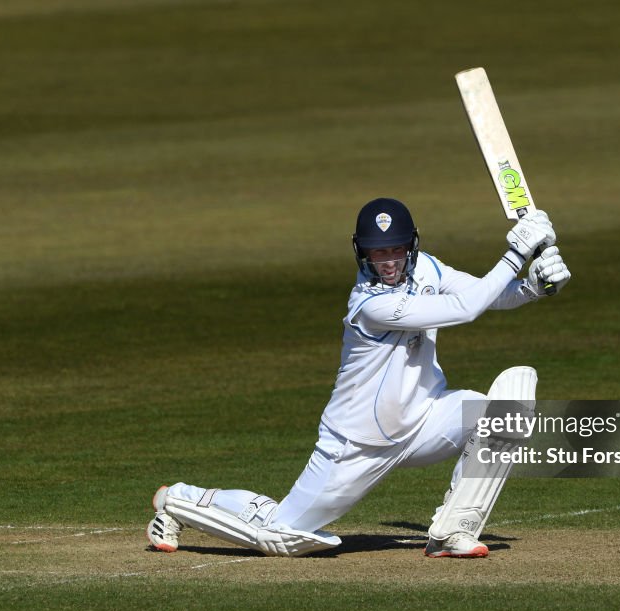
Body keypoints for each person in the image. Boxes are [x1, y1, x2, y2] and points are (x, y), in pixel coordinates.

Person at [147, 198, 571, 557]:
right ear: (362, 252)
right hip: (356, 444)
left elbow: (484, 294)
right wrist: (516, 253)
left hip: (424, 419)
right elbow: (464, 310)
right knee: (281, 535)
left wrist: (531, 287)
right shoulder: (370, 305)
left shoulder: (429, 269)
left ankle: (451, 531)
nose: (386, 261)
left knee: (501, 413)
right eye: (376, 252)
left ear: (412, 244)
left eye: (395, 250)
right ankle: (178, 500)